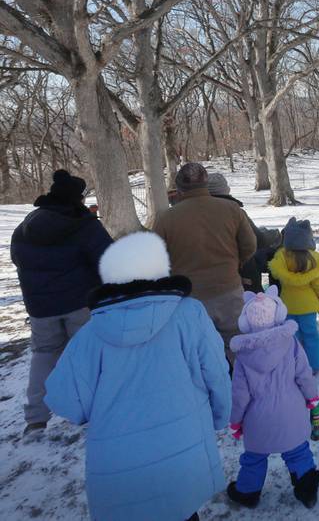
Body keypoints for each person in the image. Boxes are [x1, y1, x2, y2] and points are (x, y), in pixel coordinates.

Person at [44, 232, 232, 521]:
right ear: (159, 268)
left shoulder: (90, 334)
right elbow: (216, 373)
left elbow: (65, 401)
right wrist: (220, 416)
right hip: (182, 449)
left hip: (119, 467)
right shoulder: (190, 314)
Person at [10, 169, 112, 435]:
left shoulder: (26, 227)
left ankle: (35, 418)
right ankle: (96, 409)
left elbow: (17, 259)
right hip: (81, 303)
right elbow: (108, 261)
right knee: (89, 356)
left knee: (43, 356)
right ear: (76, 198)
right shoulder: (85, 225)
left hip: (40, 308)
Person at [227, 288, 319, 510]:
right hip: (292, 412)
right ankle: (306, 489)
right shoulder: (290, 343)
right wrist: (312, 398)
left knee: (254, 458)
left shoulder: (243, 355)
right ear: (278, 313)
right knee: (298, 451)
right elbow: (304, 374)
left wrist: (236, 420)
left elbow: (240, 393)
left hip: (257, 418)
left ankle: (248, 492)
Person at [153, 163, 257, 363]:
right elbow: (250, 245)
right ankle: (244, 389)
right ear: (206, 182)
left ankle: (211, 391)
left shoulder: (166, 218)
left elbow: (155, 259)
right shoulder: (231, 209)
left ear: (179, 188)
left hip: (190, 299)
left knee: (200, 354)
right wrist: (235, 264)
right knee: (239, 349)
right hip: (229, 291)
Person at [269, 217, 319, 373]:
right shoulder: (312, 259)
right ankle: (314, 365)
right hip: (308, 307)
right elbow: (318, 284)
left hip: (288, 306)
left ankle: (296, 365)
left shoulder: (281, 258)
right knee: (311, 336)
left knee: (293, 338)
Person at [208, 173, 281, 293]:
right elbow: (258, 239)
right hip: (238, 273)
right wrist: (275, 234)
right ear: (225, 190)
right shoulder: (234, 211)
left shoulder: (197, 214)